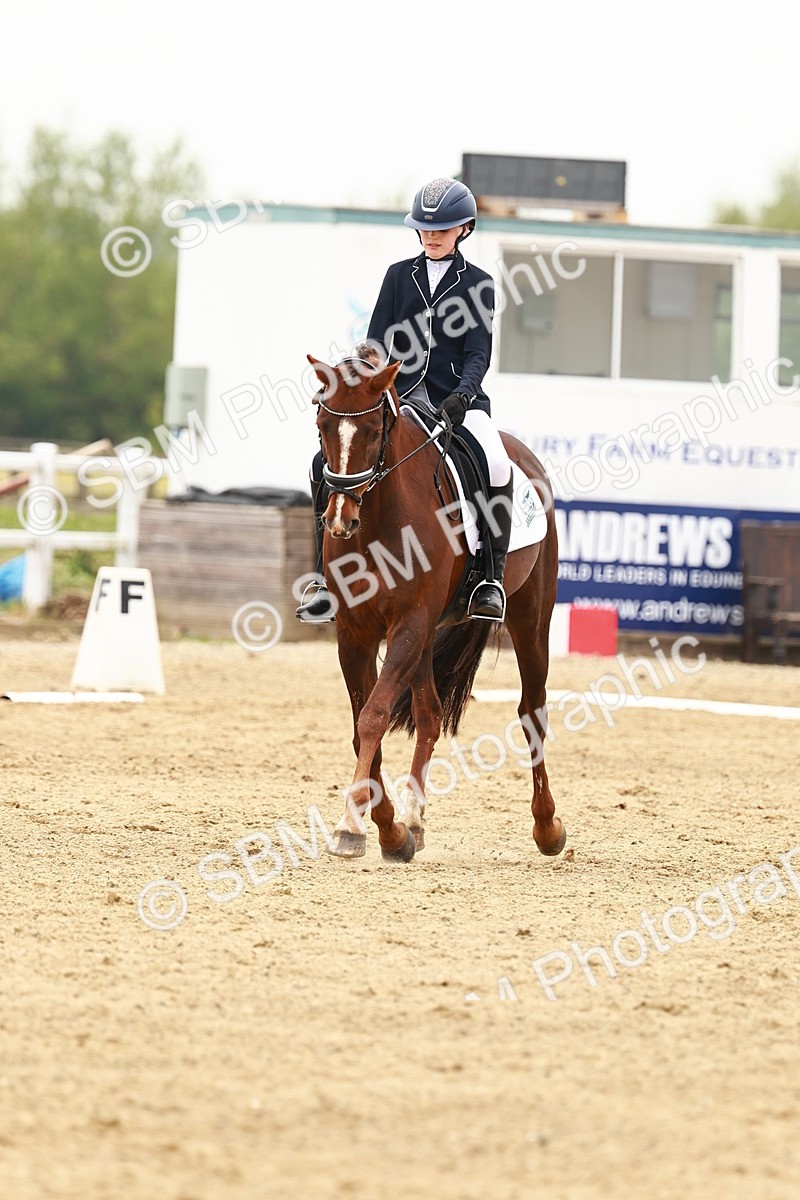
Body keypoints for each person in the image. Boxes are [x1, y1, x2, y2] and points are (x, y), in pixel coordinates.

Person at [296, 176, 514, 624]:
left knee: (495, 462)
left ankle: (488, 578)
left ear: (464, 229)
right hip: (397, 395)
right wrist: (356, 375)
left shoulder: (480, 283)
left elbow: (479, 353)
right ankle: (322, 577)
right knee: (325, 464)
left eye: (443, 228)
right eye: (426, 228)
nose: (432, 235)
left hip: (457, 400)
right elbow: (376, 341)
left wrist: (464, 394)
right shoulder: (399, 275)